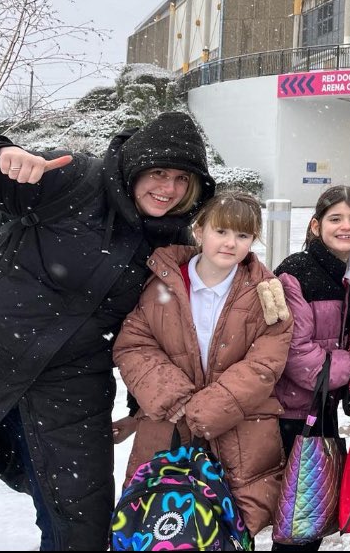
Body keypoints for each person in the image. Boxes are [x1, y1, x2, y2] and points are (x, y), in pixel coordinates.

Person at [0, 111, 216, 550]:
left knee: (82, 527)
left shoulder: (174, 242)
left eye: (183, 179)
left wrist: (138, 406)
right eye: (159, 172)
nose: (168, 189)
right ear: (135, 165)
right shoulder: (74, 180)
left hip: (72, 388)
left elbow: (155, 330)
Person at [113, 190, 292, 537]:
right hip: (167, 430)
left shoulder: (265, 292)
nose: (230, 243)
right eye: (221, 231)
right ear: (199, 230)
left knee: (227, 533)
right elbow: (134, 344)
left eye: (242, 235)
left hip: (241, 435)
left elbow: (268, 357)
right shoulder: (162, 282)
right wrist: (175, 397)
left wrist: (214, 406)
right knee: (160, 527)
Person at [271, 185, 350, 552]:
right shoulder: (295, 274)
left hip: (324, 409)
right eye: (335, 219)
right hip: (294, 413)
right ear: (315, 226)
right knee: (297, 523)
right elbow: (298, 358)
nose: (345, 226)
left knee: (311, 520)